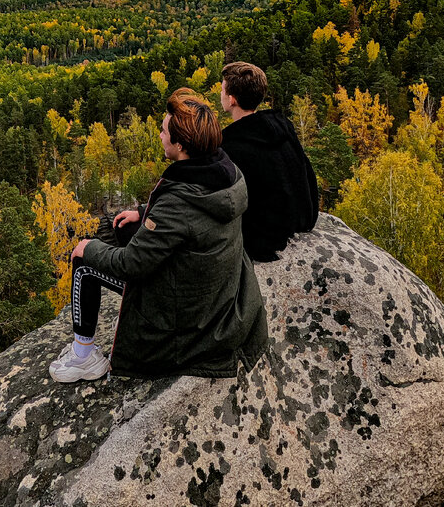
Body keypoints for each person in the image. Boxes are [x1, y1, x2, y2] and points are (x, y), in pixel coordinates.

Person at [49, 89, 268, 383]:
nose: (160, 135)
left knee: (84, 262)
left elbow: (132, 264)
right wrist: (143, 212)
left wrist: (89, 248)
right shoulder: (227, 173)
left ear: (180, 145)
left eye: (164, 131)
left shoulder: (177, 204)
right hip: (213, 290)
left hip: (186, 318)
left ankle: (83, 356)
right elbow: (190, 219)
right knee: (124, 227)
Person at [219, 61, 319, 262]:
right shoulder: (281, 127)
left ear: (231, 100)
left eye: (222, 89)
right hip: (300, 217)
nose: (220, 94)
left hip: (264, 236)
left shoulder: (231, 146)